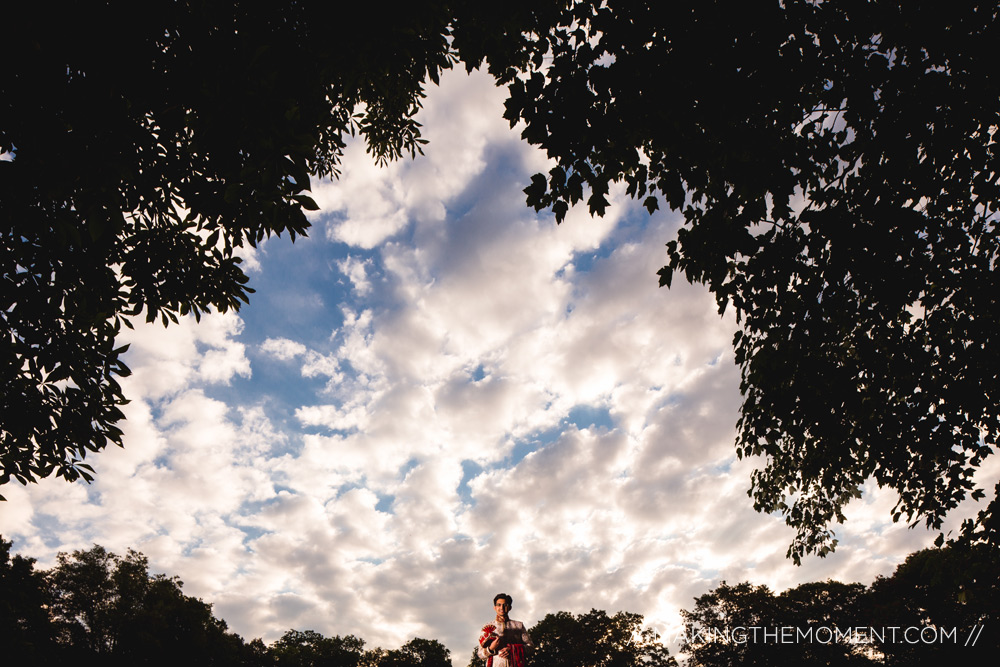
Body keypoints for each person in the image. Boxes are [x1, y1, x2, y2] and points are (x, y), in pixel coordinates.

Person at [478, 593, 533, 667]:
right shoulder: (487, 627)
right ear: (494, 607)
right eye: (499, 605)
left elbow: (531, 648)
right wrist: (491, 648)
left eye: (505, 605)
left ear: (510, 607)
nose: (502, 607)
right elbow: (480, 654)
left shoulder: (519, 625)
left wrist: (512, 650)